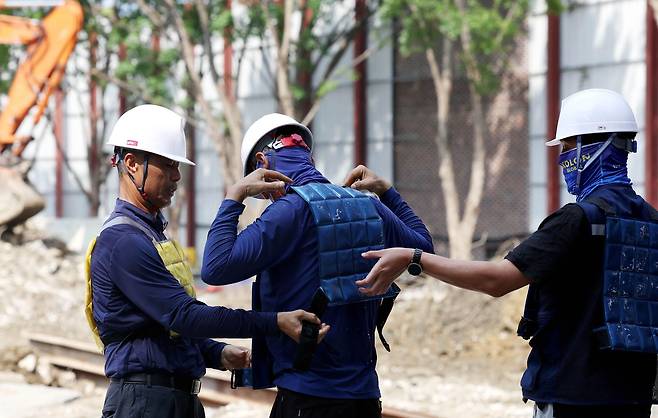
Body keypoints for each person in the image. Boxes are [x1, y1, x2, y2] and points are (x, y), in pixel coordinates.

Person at [346, 88, 658, 418]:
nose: (562, 159)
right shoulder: (650, 222)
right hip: (631, 398)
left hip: (572, 396)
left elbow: (498, 280)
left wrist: (415, 258)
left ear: (589, 149)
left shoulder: (576, 220)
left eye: (566, 148)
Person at [84, 104, 326, 418]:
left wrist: (218, 352)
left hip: (172, 398)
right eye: (168, 165)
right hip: (144, 403)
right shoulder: (122, 242)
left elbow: (164, 331)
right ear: (132, 163)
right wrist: (274, 321)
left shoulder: (150, 234)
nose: (176, 176)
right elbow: (184, 316)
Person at [201, 113, 434, 418]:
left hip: (307, 397)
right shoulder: (368, 205)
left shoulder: (286, 213)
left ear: (262, 164)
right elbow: (424, 251)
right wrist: (386, 192)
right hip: (364, 398)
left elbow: (215, 268)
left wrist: (235, 196)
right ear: (308, 157)